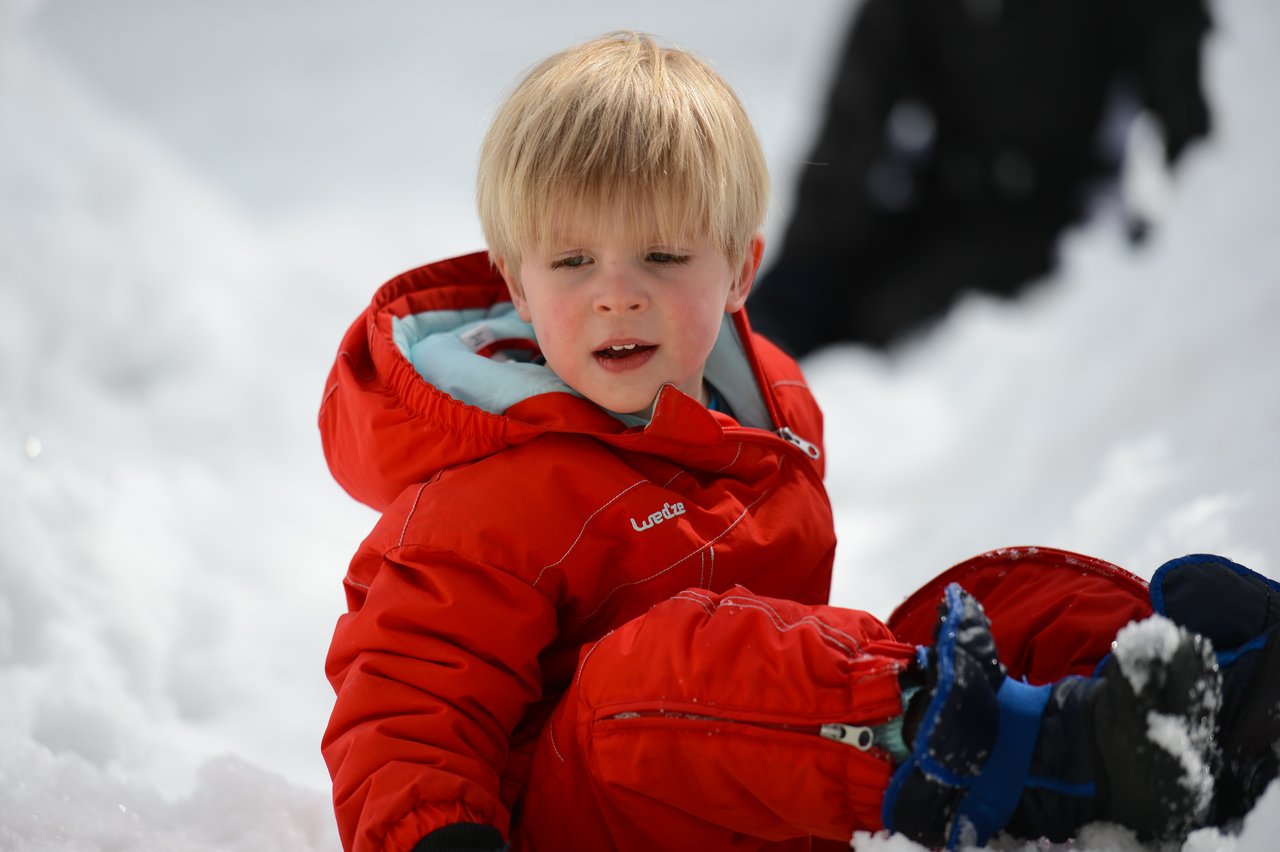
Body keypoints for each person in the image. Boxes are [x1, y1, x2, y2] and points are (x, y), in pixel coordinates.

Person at [318, 32, 1271, 852]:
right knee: (654, 668)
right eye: (573, 262)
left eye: (661, 254)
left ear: (738, 269)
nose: (617, 291)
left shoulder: (767, 412)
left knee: (984, 601)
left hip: (754, 772)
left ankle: (1187, 701)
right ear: (519, 291)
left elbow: (774, 655)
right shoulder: (488, 492)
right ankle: (1044, 756)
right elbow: (404, 711)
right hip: (594, 804)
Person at [748, 0, 1213, 355]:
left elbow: (1195, 127)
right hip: (948, 203)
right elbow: (855, 123)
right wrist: (806, 267)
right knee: (781, 326)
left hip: (1069, 223)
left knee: (876, 328)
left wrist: (1184, 247)